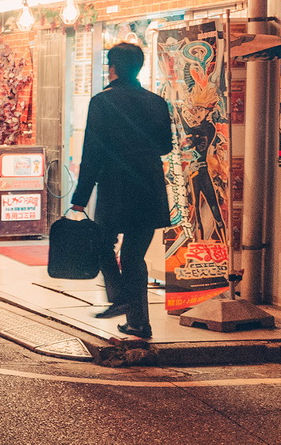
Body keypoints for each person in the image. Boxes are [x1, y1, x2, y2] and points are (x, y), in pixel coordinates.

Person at [69, 41, 173, 340]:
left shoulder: (103, 101)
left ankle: (120, 297)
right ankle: (138, 323)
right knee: (133, 256)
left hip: (116, 187)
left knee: (101, 244)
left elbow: (92, 152)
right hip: (150, 187)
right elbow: (165, 147)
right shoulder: (156, 101)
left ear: (112, 67)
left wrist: (80, 198)